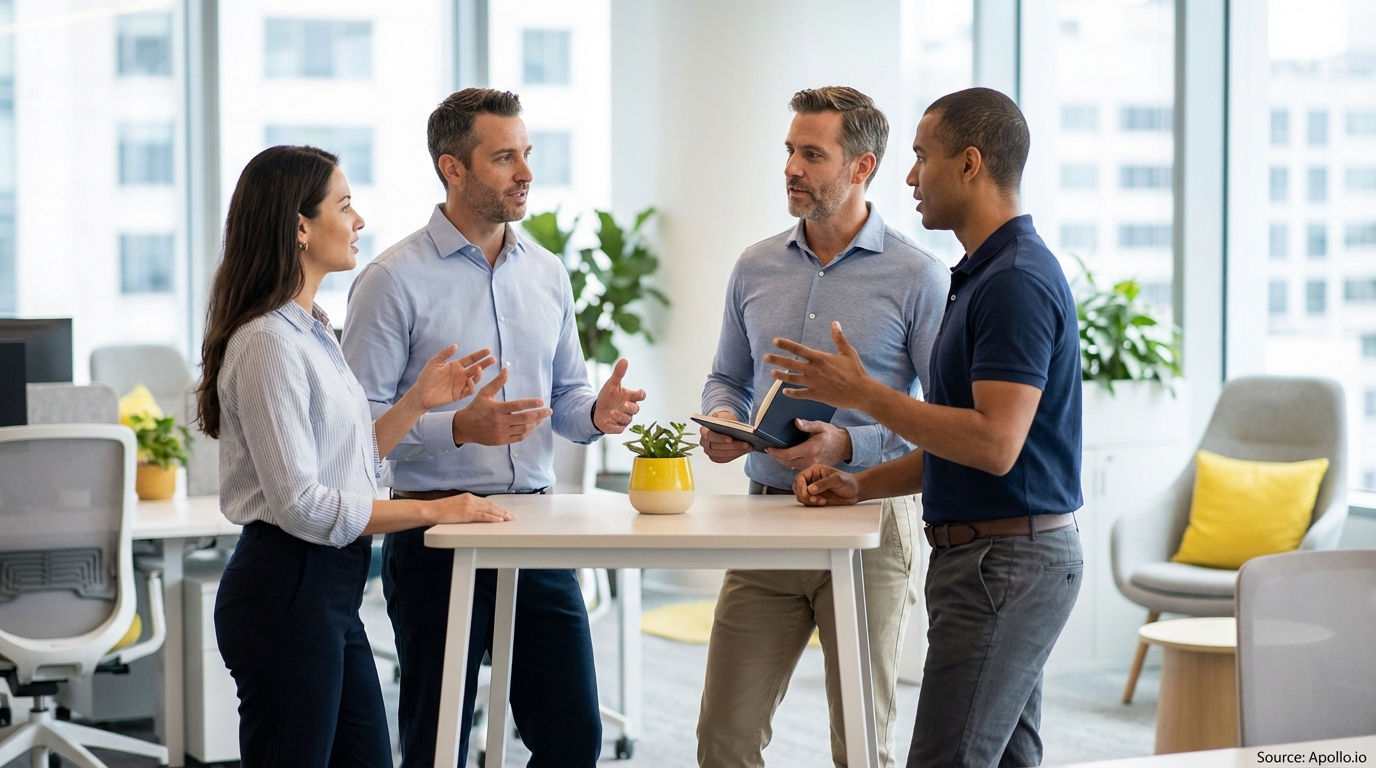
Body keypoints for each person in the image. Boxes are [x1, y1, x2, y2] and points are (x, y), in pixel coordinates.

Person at [766, 87, 1085, 767]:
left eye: (920, 157)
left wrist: (865, 395)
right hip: (987, 559)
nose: (908, 176)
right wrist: (864, 485)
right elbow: (957, 440)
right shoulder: (976, 277)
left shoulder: (1016, 282)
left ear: (969, 164)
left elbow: (994, 445)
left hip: (1006, 566)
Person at [342, 88, 646, 768]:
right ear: (453, 168)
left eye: (527, 154)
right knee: (436, 738)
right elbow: (356, 427)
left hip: (534, 529)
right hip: (431, 530)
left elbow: (565, 395)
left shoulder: (547, 273)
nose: (525, 172)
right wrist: (456, 428)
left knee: (573, 738)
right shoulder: (391, 279)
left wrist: (596, 413)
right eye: (504, 157)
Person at [197, 144, 513, 767]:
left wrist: (418, 402)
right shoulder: (267, 341)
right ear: (300, 227)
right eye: (345, 205)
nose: (360, 220)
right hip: (287, 585)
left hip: (327, 590)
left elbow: (348, 460)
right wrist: (434, 510)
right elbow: (305, 506)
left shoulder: (312, 328)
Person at [695, 86, 949, 768]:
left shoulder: (918, 275)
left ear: (861, 167)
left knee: (862, 745)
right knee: (724, 738)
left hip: (869, 521)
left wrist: (850, 444)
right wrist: (723, 419)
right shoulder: (754, 265)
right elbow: (726, 376)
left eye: (812, 154)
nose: (792, 168)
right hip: (768, 522)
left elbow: (944, 420)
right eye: (789, 151)